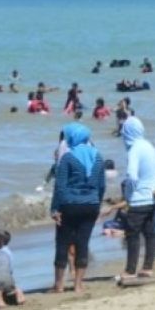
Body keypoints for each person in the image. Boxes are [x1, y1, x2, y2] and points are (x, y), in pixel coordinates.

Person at [49, 123, 106, 293]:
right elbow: (101, 185)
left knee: (62, 242)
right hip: (91, 205)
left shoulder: (67, 157)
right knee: (83, 243)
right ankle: (78, 284)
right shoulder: (98, 157)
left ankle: (59, 284)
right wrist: (98, 203)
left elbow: (60, 186)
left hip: (70, 204)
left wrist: (54, 209)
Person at [117, 115, 155, 280]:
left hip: (139, 200)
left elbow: (131, 175)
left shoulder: (134, 149)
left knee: (132, 234)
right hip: (153, 198)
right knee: (150, 233)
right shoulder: (149, 146)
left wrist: (129, 195)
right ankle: (148, 267)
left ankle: (130, 270)